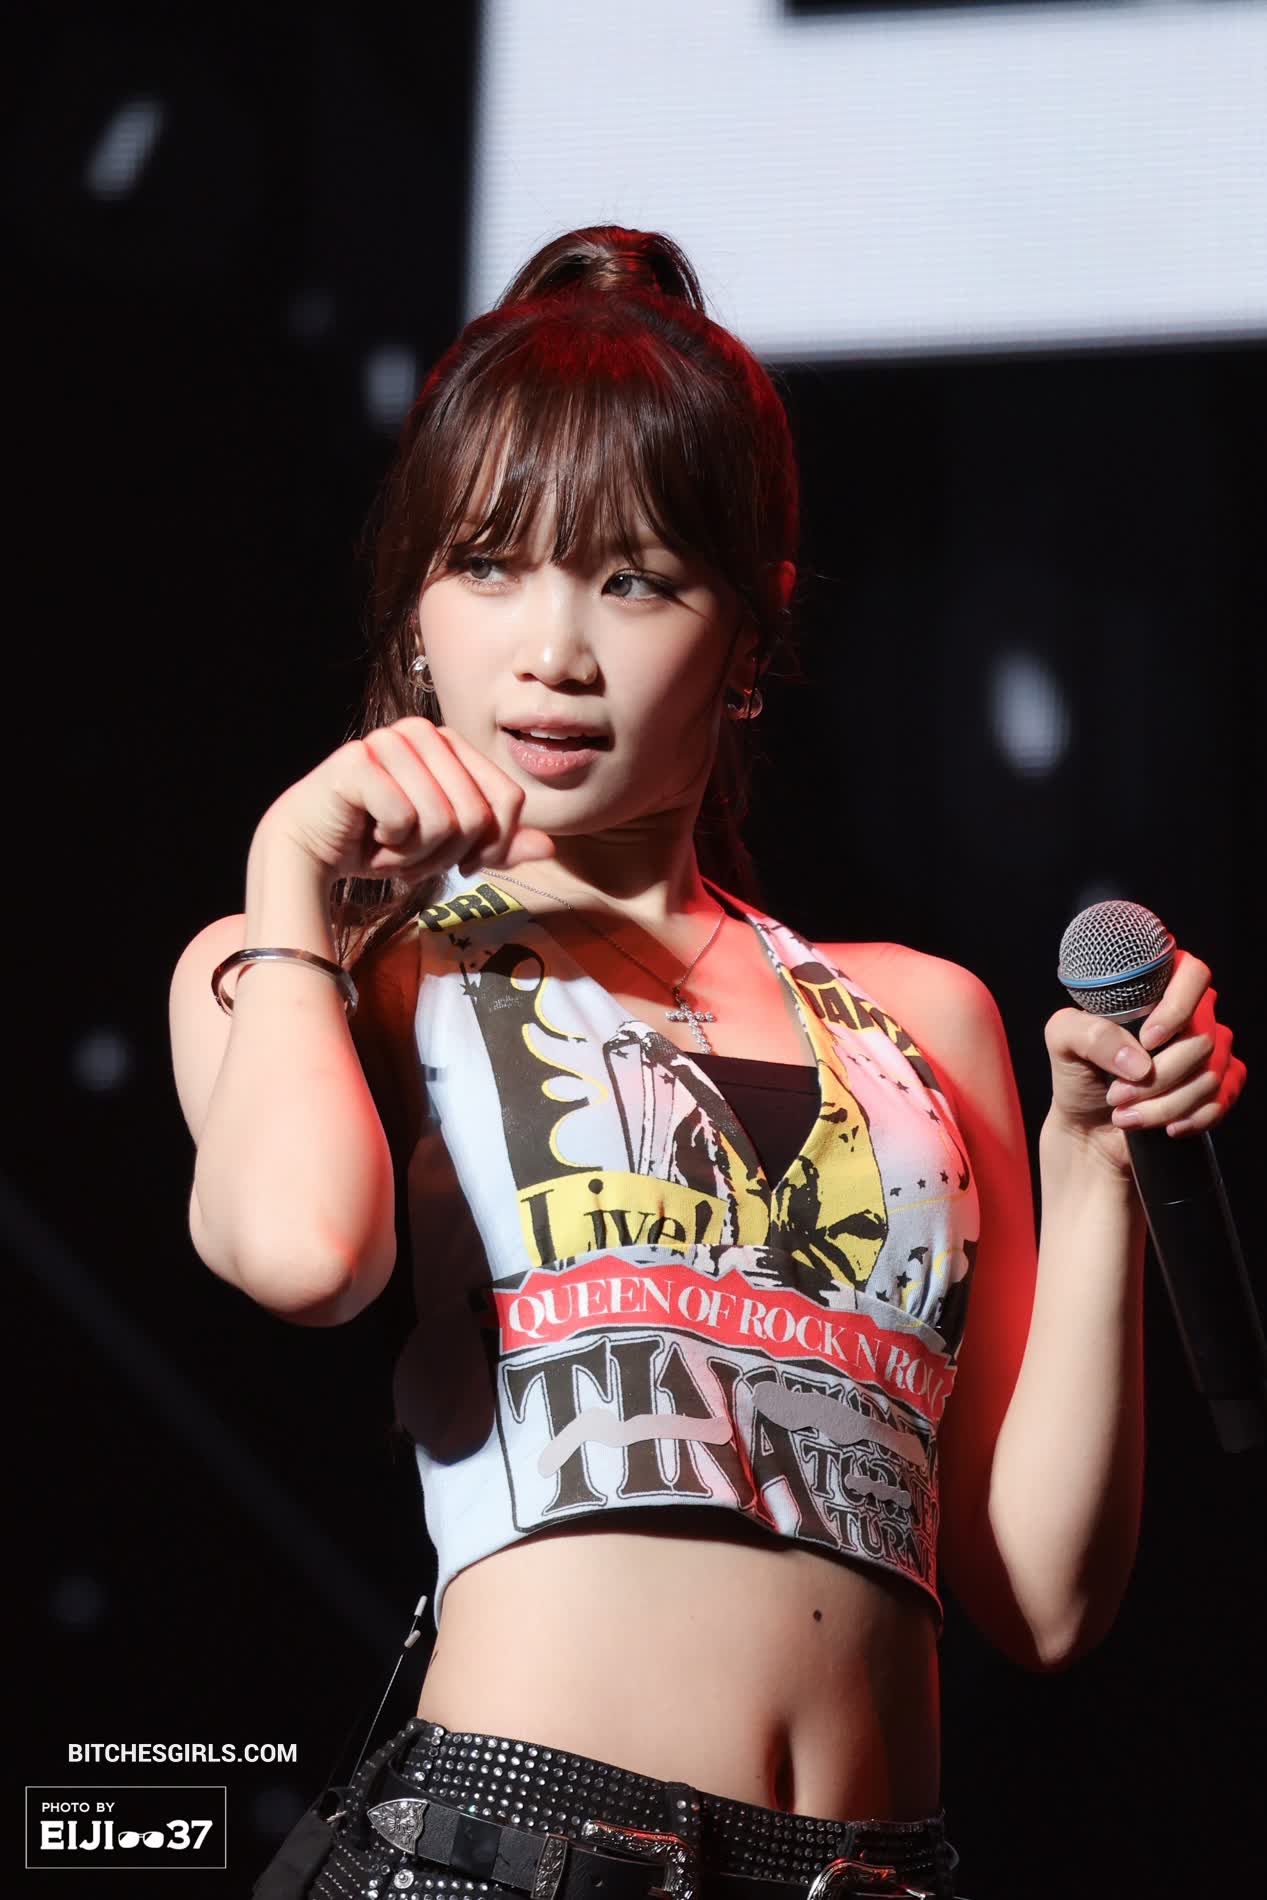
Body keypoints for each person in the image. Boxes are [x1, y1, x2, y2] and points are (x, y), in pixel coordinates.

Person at [169, 227, 1246, 1900]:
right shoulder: (331, 963)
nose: (554, 650)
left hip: (876, 1867)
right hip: (515, 1848)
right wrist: (289, 874)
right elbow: (305, 1257)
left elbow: (1039, 1599)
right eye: (488, 564)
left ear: (755, 631)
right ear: (417, 610)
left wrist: (1091, 1156)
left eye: (636, 579)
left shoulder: (923, 1015)